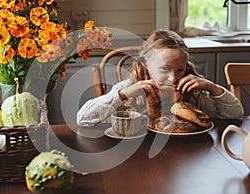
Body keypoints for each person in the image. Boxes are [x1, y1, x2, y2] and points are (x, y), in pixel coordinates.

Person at [77, 29, 244, 127]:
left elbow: (236, 114)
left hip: (185, 155)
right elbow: (83, 119)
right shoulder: (128, 88)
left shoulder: (194, 92)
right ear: (144, 64)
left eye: (180, 69)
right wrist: (121, 95)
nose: (173, 78)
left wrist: (212, 88)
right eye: (164, 69)